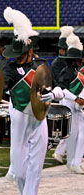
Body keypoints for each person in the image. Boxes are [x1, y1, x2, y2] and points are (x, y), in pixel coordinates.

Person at [2, 7, 63, 195]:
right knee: (18, 171)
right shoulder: (7, 68)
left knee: (35, 169)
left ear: (29, 51)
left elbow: (55, 86)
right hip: (19, 119)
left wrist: (54, 94)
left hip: (39, 119)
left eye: (21, 53)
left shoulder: (40, 66)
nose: (17, 57)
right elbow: (0, 87)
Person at [55, 34, 84, 173]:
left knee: (74, 135)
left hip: (75, 105)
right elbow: (62, 89)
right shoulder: (67, 71)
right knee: (75, 135)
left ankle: (72, 161)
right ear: (75, 60)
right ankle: (74, 162)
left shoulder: (74, 70)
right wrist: (77, 99)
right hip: (70, 104)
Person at [51, 26, 74, 164]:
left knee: (72, 127)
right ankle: (59, 151)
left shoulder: (68, 61)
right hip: (64, 95)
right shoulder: (57, 63)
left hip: (69, 94)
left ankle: (64, 152)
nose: (62, 51)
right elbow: (61, 82)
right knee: (70, 127)